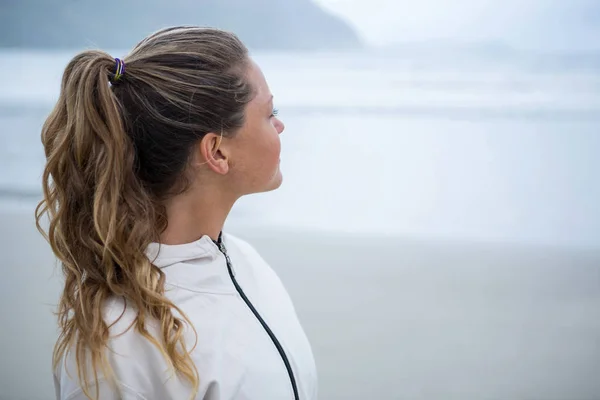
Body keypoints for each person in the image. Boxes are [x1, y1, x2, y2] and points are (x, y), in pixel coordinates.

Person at [35, 26, 317, 400]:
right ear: (217, 152)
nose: (280, 125)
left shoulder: (250, 265)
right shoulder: (118, 346)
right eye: (270, 113)